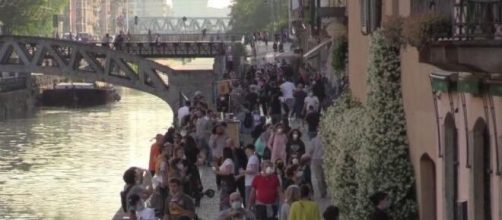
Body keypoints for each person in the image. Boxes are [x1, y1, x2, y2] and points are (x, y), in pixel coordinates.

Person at [309, 133, 327, 198]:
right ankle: (322, 191)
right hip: (317, 160)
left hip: (322, 160)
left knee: (322, 177)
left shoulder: (325, 140)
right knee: (320, 177)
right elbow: (310, 151)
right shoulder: (314, 140)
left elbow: (310, 151)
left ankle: (323, 189)